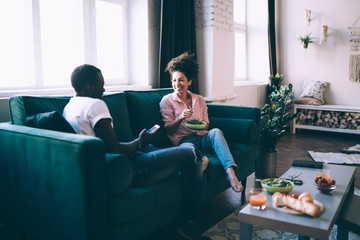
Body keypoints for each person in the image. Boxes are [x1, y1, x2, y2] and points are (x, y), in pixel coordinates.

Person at [63, 64, 210, 240]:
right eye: (101, 84)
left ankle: (183, 168)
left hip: (113, 163)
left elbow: (107, 145)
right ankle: (190, 223)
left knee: (153, 149)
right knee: (190, 152)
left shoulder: (69, 106)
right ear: (90, 86)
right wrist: (140, 142)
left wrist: (140, 144)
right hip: (126, 169)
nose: (104, 88)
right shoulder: (96, 105)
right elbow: (115, 149)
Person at [159, 52, 244, 193]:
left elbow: (206, 125)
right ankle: (201, 161)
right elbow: (168, 130)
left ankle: (230, 173)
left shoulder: (199, 99)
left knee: (216, 131)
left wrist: (198, 123)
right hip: (184, 142)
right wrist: (181, 117)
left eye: (181, 80)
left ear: (189, 82)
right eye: (174, 80)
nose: (177, 84)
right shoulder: (167, 101)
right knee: (192, 152)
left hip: (202, 138)